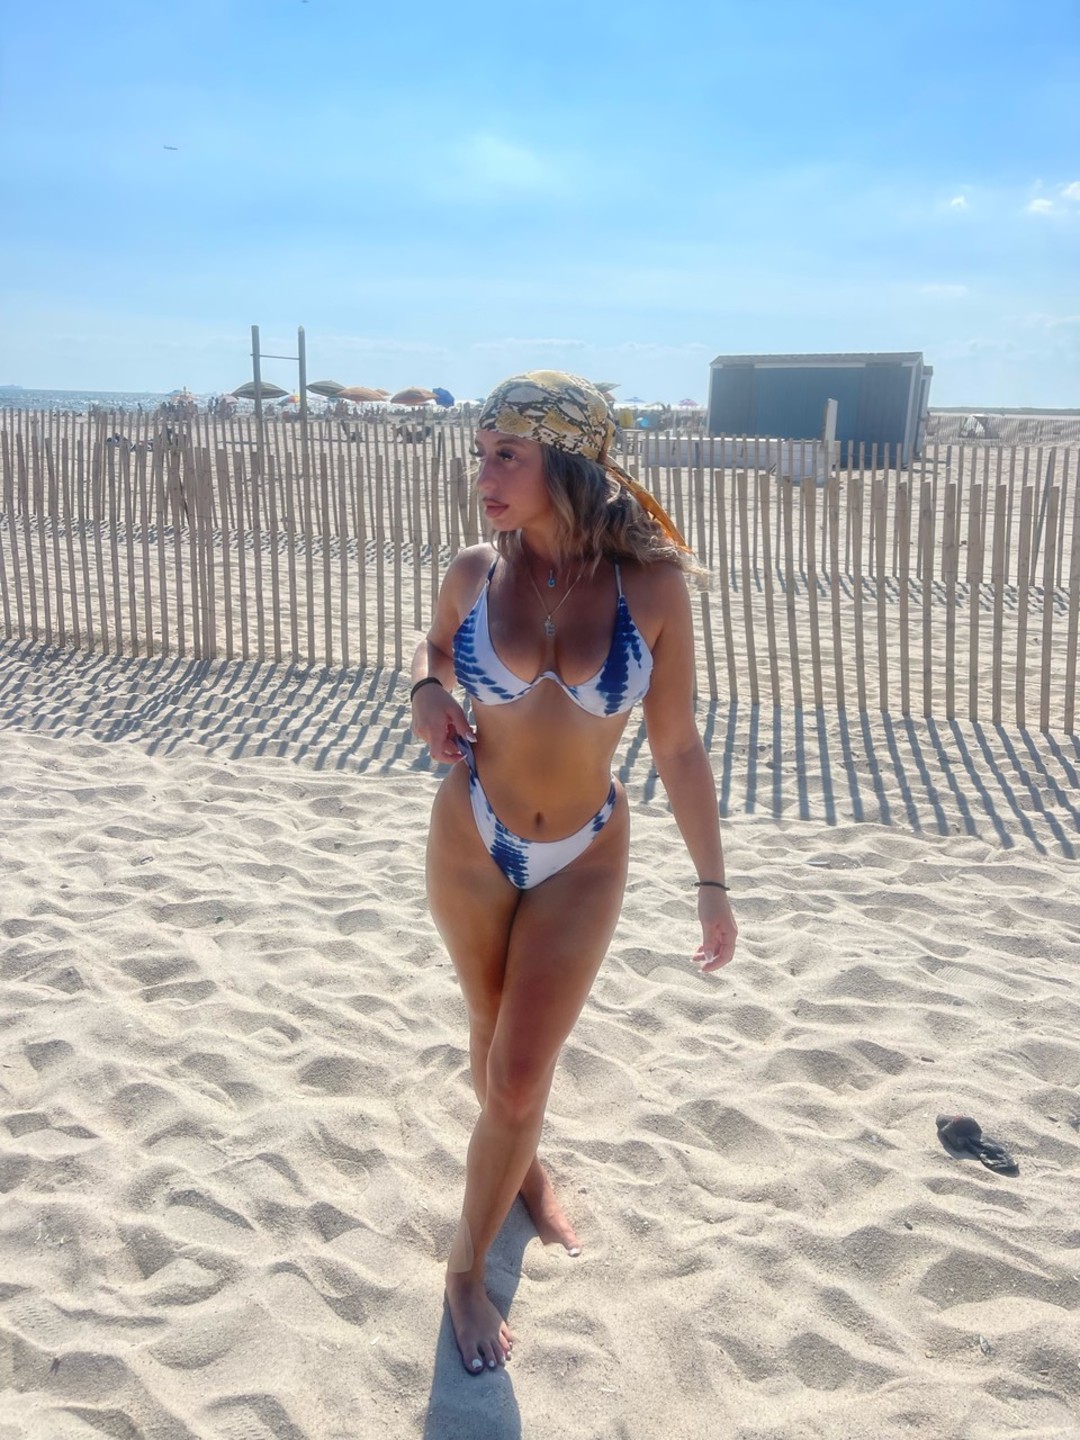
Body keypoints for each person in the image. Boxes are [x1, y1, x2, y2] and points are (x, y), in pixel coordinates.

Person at [409, 371, 737, 1375]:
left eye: (507, 455)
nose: (485, 476)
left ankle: (466, 1270)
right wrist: (427, 691)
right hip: (471, 833)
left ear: (569, 461)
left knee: (516, 1072)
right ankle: (526, 1173)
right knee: (489, 1032)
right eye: (480, 454)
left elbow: (677, 744)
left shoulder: (653, 590)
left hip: (585, 853)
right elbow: (434, 647)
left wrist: (712, 885)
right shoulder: (475, 571)